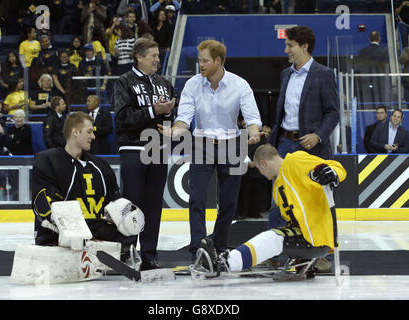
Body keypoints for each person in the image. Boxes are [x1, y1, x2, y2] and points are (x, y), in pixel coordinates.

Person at [168, 39, 263, 261]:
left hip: (231, 144)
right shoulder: (192, 84)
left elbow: (252, 118)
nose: (200, 64)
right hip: (201, 143)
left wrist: (254, 132)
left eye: (204, 61)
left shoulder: (240, 85)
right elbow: (184, 117)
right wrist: (174, 131)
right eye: (200, 60)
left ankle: (220, 245)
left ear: (218, 61)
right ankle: (198, 247)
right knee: (197, 199)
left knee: (229, 202)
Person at [197, 143, 347, 276]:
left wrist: (332, 173)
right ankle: (230, 260)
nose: (261, 175)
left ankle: (225, 263)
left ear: (263, 163)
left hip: (316, 237)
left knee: (272, 238)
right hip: (306, 237)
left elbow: (336, 167)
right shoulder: (277, 187)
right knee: (273, 236)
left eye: (259, 169)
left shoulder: (296, 160)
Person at [267, 26, 339, 271]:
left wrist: (318, 136)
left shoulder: (324, 74)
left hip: (312, 147)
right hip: (285, 143)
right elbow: (282, 112)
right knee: (279, 199)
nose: (286, 49)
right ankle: (274, 252)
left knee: (319, 199)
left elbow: (333, 112)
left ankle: (324, 256)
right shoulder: (286, 74)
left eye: (290, 45)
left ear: (304, 46)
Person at [32, 111, 138, 253]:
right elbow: (44, 203)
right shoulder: (48, 161)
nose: (93, 136)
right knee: (53, 233)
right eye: (89, 132)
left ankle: (121, 253)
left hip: (94, 226)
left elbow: (114, 200)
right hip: (63, 228)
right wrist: (72, 232)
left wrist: (125, 215)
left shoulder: (101, 166)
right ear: (75, 132)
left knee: (130, 227)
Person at [112, 37, 176, 270]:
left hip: (158, 150)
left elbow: (172, 116)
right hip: (133, 147)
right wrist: (153, 110)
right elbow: (122, 118)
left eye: (158, 56)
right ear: (139, 57)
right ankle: (127, 251)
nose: (158, 60)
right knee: (131, 202)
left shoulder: (164, 83)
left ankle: (150, 254)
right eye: (154, 56)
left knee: (153, 205)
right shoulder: (123, 82)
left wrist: (169, 121)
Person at [356, 31, 390, 105]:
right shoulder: (384, 51)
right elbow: (387, 68)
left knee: (369, 103)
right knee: (381, 103)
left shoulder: (362, 52)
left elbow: (359, 67)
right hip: (381, 82)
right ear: (379, 39)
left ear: (369, 39)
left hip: (366, 82)